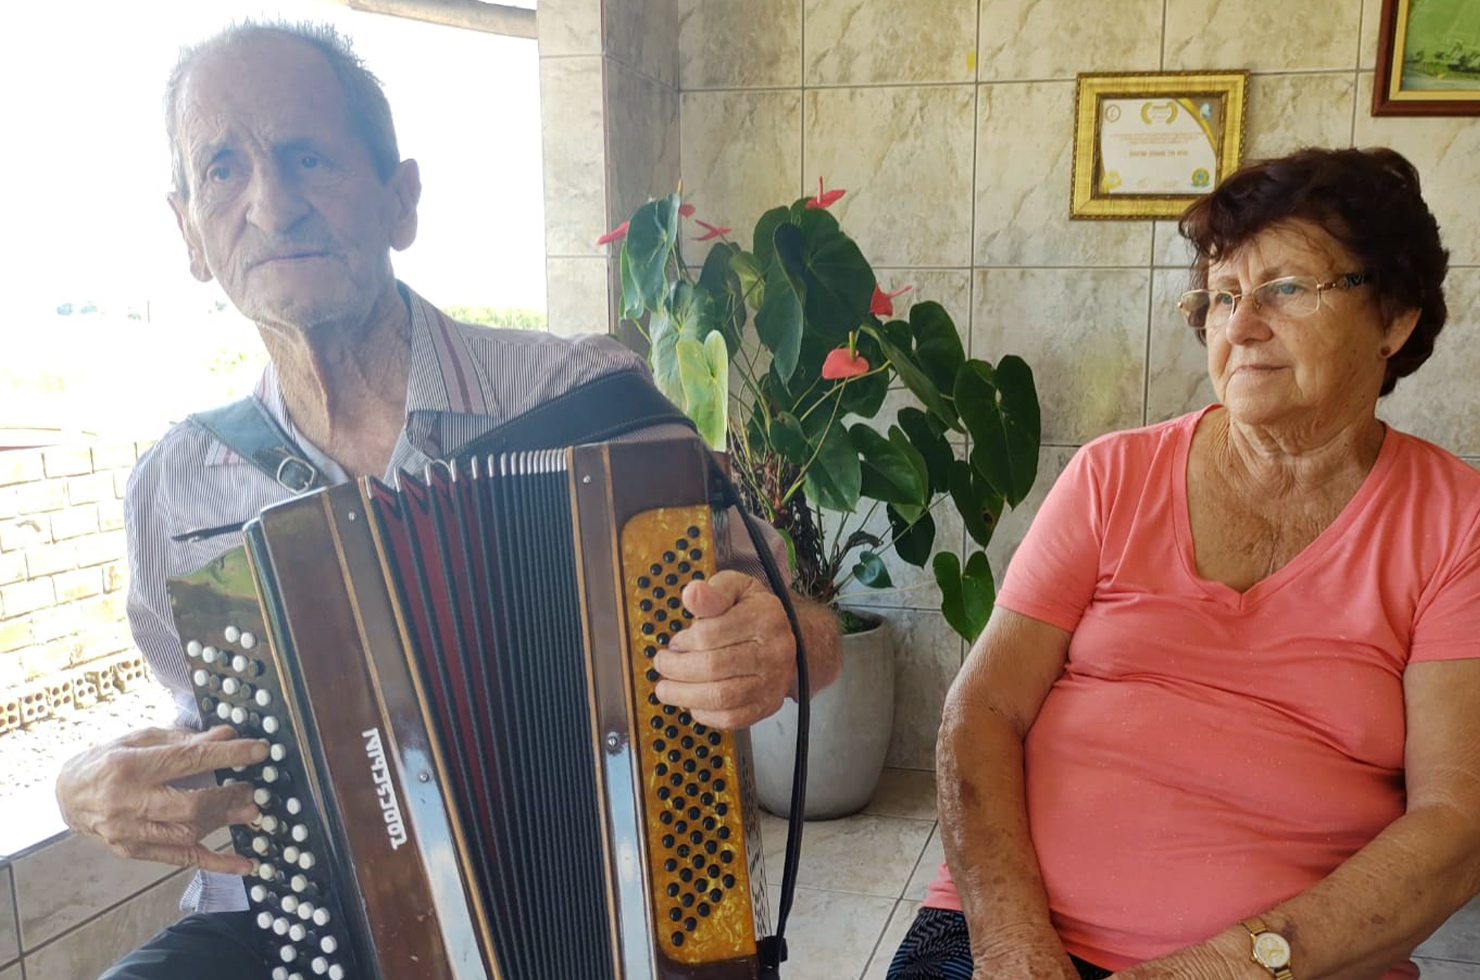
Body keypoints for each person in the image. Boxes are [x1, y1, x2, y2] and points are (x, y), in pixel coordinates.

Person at [52, 21, 841, 980]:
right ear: (187, 232)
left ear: (400, 200)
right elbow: (205, 728)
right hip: (310, 932)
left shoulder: (584, 399)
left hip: (608, 910)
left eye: (308, 155)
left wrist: (770, 647)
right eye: (223, 168)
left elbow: (808, 635)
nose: (272, 202)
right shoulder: (175, 485)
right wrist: (83, 784)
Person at [887, 146, 1480, 980]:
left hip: (1291, 967)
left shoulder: (1457, 523)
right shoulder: (1111, 475)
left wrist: (1223, 967)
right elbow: (980, 710)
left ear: (1395, 318)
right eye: (1223, 295)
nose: (1238, 325)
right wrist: (1013, 946)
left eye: (1285, 289)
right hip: (1006, 942)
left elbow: (1456, 822)